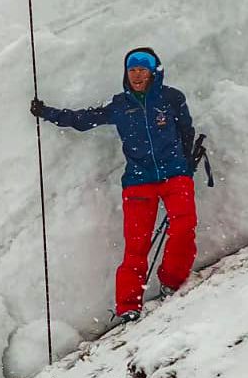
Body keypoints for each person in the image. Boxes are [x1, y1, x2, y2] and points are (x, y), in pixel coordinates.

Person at [30, 47, 198, 324]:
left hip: (175, 175)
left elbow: (186, 130)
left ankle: (172, 280)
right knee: (136, 246)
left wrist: (185, 163)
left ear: (154, 72)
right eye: (132, 70)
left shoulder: (171, 98)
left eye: (142, 69)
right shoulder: (120, 105)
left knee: (184, 227)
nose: (137, 75)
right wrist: (48, 113)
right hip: (138, 181)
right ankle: (128, 305)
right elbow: (82, 121)